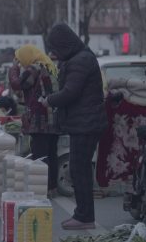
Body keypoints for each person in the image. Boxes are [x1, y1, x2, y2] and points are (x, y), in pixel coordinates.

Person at [40, 23, 106, 230]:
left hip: (86, 123)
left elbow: (70, 92)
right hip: (83, 122)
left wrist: (49, 100)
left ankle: (84, 216)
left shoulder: (81, 60)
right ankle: (83, 214)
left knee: (80, 170)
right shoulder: (79, 58)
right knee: (80, 170)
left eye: (55, 48)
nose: (54, 53)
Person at [8, 45, 60, 197]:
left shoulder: (33, 69)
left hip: (40, 119)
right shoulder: (49, 66)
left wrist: (14, 68)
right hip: (53, 118)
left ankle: (40, 189)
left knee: (40, 155)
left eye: (19, 57)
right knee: (51, 154)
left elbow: (17, 84)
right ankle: (52, 187)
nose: (19, 61)